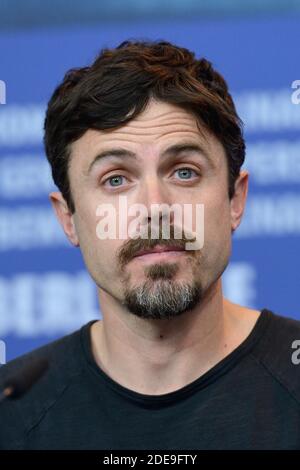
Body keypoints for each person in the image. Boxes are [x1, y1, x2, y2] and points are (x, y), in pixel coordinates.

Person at [0, 39, 300, 450]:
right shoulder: (11, 414)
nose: (154, 208)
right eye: (116, 180)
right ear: (68, 219)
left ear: (236, 199)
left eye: (184, 172)